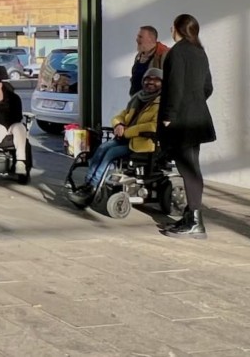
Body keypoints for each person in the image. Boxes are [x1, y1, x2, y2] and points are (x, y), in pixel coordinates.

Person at [159, 14, 215, 240]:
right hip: (197, 120)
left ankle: (194, 222)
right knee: (191, 168)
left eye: (172, 25)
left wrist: (168, 116)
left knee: (189, 170)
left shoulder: (177, 52)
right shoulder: (199, 52)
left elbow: (174, 88)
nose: (170, 29)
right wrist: (195, 104)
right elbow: (208, 87)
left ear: (178, 29)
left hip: (181, 122)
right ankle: (191, 216)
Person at [70, 68, 162, 203]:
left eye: (155, 80)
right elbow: (120, 116)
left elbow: (153, 126)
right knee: (102, 148)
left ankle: (94, 186)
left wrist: (128, 131)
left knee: (110, 153)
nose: (150, 82)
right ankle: (88, 183)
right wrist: (118, 125)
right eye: (147, 79)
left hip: (143, 143)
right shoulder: (138, 98)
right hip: (125, 138)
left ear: (162, 83)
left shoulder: (161, 102)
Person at [130, 26, 169, 96]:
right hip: (138, 101)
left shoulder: (164, 55)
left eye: (140, 37)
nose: (137, 39)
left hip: (154, 103)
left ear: (150, 39)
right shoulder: (139, 56)